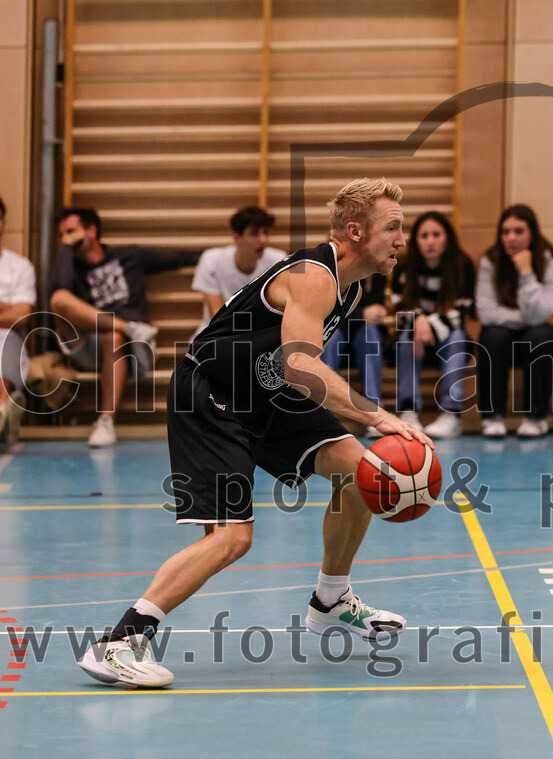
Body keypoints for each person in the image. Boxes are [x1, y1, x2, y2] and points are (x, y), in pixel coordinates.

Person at [77, 177, 431, 687]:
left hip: (263, 391)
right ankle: (117, 644)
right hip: (211, 395)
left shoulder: (350, 287)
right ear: (356, 231)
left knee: (364, 471)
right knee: (231, 539)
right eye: (393, 228)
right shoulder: (315, 276)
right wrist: (377, 415)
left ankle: (331, 598)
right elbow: (301, 368)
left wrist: (365, 423)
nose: (403, 238)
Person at [50, 209, 201, 446]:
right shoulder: (71, 269)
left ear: (91, 230)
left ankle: (106, 422)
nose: (65, 239)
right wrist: (67, 248)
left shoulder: (129, 256)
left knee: (113, 335)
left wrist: (223, 257)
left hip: (134, 346)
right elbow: (58, 289)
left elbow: (176, 258)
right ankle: (127, 327)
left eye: (70, 232)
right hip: (93, 343)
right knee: (59, 300)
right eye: (61, 235)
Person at [476, 205, 553, 438]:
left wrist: (526, 272)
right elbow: (486, 312)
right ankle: (492, 418)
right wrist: (530, 318)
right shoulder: (489, 262)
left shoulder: (552, 265)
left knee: (540, 336)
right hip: (505, 338)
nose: (511, 238)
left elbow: (541, 316)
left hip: (538, 338)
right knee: (494, 336)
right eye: (505, 232)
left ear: (532, 233)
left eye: (518, 231)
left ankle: (536, 418)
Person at [391, 211, 475, 439]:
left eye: (436, 235)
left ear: (447, 238)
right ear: (415, 240)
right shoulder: (403, 266)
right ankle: (408, 410)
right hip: (415, 338)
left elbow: (461, 313)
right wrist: (417, 321)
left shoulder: (462, 265)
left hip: (448, 336)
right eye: (424, 235)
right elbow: (397, 313)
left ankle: (451, 413)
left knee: (458, 337)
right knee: (406, 338)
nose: (430, 241)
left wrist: (427, 323)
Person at [190, 206, 287, 338]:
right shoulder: (211, 260)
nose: (263, 239)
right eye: (254, 233)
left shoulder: (278, 260)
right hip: (217, 335)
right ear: (237, 237)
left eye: (266, 232)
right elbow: (218, 317)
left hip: (260, 335)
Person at [320, 272, 388, 437]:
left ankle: (373, 409)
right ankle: (323, 411)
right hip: (337, 331)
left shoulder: (377, 271)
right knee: (331, 336)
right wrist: (362, 314)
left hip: (361, 336)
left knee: (370, 334)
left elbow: (377, 306)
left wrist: (378, 313)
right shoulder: (333, 269)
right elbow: (328, 311)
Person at [0, 196, 36, 445]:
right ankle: (4, 412)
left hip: (9, 339)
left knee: (5, 340)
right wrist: (5, 307)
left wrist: (12, 313)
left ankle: (2, 408)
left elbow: (22, 318)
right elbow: (13, 312)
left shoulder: (20, 267)